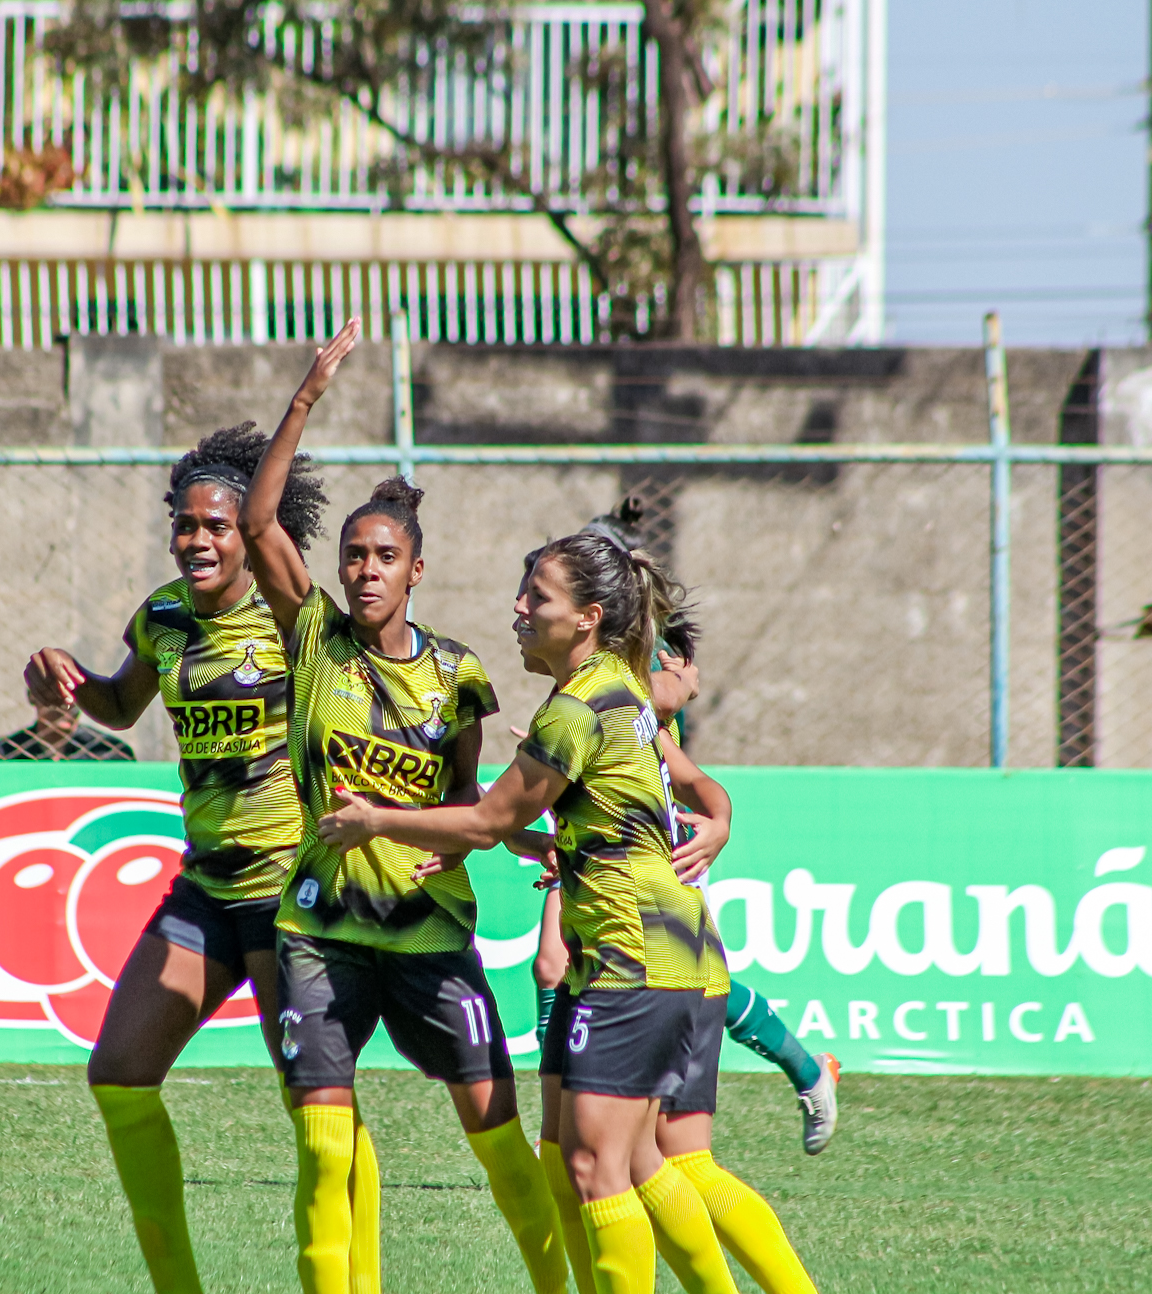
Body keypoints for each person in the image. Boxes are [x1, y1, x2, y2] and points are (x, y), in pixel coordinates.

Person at [321, 531, 812, 1294]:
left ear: (586, 617)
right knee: (608, 1156)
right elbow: (659, 786)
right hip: (630, 957)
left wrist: (379, 821)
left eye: (537, 598)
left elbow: (483, 820)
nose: (518, 609)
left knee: (598, 1163)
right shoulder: (612, 682)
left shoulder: (580, 708)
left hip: (635, 959)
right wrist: (717, 817)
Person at [238, 318, 567, 1294]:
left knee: (500, 1141)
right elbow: (261, 527)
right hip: (320, 932)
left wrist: (492, 844)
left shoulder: (460, 674)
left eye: (384, 555)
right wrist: (306, 393)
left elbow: (471, 797)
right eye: (353, 555)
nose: (365, 568)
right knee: (323, 1152)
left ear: (413, 570)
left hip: (427, 936)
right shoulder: (313, 642)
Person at [22, 420, 383, 1294]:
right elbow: (118, 701)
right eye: (184, 525)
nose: (196, 541)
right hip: (206, 885)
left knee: (317, 1110)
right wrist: (63, 681)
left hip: (289, 891)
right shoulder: (164, 618)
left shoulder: (292, 617)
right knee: (119, 1074)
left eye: (216, 526)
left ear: (248, 534)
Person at [529, 505, 839, 1159]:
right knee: (552, 964)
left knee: (704, 986)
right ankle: (561, 1129)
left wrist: (719, 821)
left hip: (649, 848)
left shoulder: (629, 673)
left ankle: (809, 1071)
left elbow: (676, 701)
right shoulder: (583, 681)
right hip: (592, 848)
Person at [0, 692, 137, 760]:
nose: (66, 703)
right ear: (33, 697)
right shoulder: (5, 754)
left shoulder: (108, 752)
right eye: (56, 694)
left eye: (74, 694)